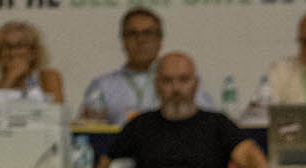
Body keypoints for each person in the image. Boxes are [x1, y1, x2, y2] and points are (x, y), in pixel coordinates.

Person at [99, 53, 267, 168]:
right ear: (156, 85)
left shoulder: (217, 124)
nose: (176, 88)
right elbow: (105, 163)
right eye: (167, 80)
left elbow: (249, 154)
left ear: (196, 84)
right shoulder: (140, 125)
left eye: (184, 79)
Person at [77, 7, 212, 124]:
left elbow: (207, 121)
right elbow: (88, 133)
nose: (140, 40)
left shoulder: (182, 81)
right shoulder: (103, 86)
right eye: (133, 34)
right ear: (123, 40)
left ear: (159, 40)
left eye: (148, 33)